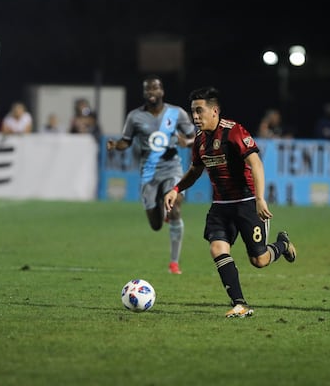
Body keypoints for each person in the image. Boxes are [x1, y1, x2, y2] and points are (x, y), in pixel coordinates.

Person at [163, 86, 297, 318]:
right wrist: (176, 189)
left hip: (246, 202)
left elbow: (256, 163)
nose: (195, 117)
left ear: (214, 111)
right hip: (220, 206)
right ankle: (240, 304)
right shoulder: (200, 140)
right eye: (193, 112)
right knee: (217, 248)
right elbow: (195, 171)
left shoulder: (234, 131)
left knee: (260, 260)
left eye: (199, 111)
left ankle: (282, 245)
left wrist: (259, 199)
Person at [107, 75, 196, 274]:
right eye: (147, 89)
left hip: (172, 167)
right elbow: (126, 141)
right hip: (148, 172)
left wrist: (187, 142)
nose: (151, 92)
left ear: (162, 91)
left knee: (175, 209)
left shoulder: (176, 113)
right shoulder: (135, 117)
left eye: (155, 88)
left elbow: (195, 136)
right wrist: (116, 145)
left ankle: (174, 262)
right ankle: (162, 214)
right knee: (155, 225)